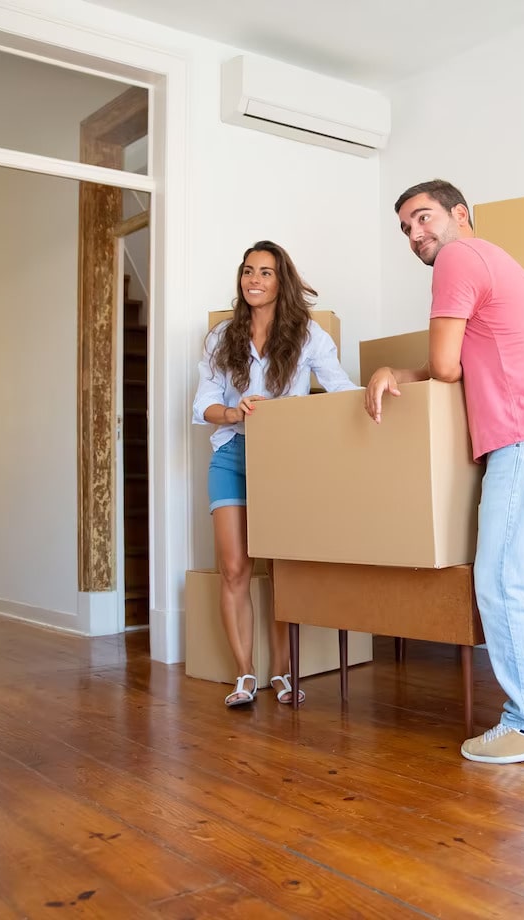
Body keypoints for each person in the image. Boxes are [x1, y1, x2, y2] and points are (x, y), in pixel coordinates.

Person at [365, 180, 524, 764]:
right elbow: (453, 365)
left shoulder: (458, 258)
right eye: (406, 229)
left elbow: (446, 364)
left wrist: (413, 370)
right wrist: (401, 372)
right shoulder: (492, 259)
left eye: (423, 218)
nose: (416, 234)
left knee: (499, 580)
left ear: (458, 214)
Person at [194, 240, 357, 708]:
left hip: (285, 462)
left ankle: (283, 672)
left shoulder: (307, 335)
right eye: (248, 271)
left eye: (265, 272)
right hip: (231, 455)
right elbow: (202, 404)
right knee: (234, 568)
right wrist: (233, 412)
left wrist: (382, 391)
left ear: (280, 281)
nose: (254, 280)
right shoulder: (222, 337)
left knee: (282, 570)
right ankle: (244, 674)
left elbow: (340, 388)